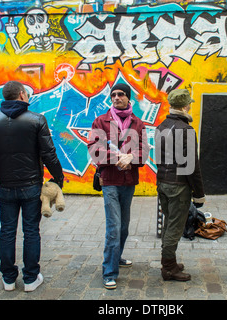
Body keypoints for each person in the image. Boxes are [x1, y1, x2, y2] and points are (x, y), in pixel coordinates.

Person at [0, 80, 64, 292]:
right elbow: (48, 153)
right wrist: (58, 180)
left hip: (4, 186)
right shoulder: (36, 120)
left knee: (7, 232)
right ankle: (31, 278)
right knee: (31, 231)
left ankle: (8, 279)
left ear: (5, 97)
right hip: (31, 185)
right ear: (22, 95)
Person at [87, 83, 148, 290]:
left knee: (124, 226)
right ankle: (109, 272)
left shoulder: (138, 124)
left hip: (128, 181)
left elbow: (145, 152)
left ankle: (117, 256)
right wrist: (118, 157)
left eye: (120, 94)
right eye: (113, 94)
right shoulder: (101, 121)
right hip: (110, 181)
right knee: (113, 227)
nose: (116, 97)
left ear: (128, 98)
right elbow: (94, 149)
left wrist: (132, 157)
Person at [155, 89, 205, 282]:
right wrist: (199, 194)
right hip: (179, 186)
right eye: (189, 103)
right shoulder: (186, 130)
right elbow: (192, 165)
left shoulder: (161, 126)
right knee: (175, 228)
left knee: (169, 222)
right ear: (185, 106)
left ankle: (170, 261)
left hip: (164, 183)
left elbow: (159, 158)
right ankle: (168, 268)